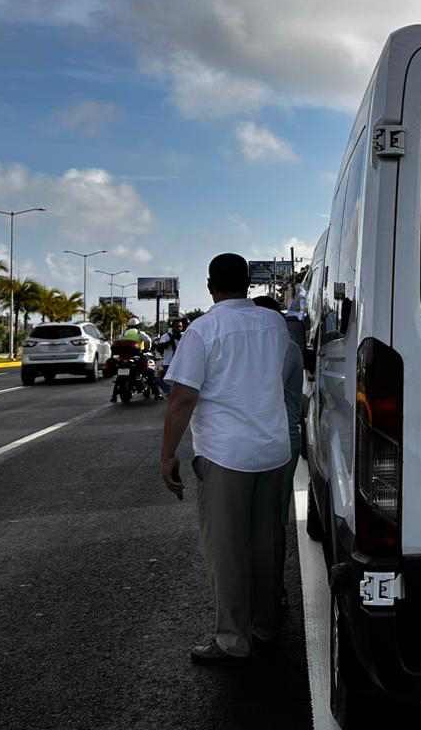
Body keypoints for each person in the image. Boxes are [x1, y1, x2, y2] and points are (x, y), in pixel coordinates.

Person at [159, 254, 292, 665]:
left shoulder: (203, 329)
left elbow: (182, 398)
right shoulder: (274, 324)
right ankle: (266, 625)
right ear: (248, 283)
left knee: (228, 550)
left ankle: (233, 640)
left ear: (210, 285)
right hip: (274, 451)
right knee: (268, 543)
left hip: (226, 455)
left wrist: (167, 455)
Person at [251, 295, 304, 613]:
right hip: (264, 439)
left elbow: (262, 388)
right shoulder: (273, 348)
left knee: (271, 524)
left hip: (281, 441)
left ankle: (273, 590)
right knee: (261, 522)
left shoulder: (284, 349)